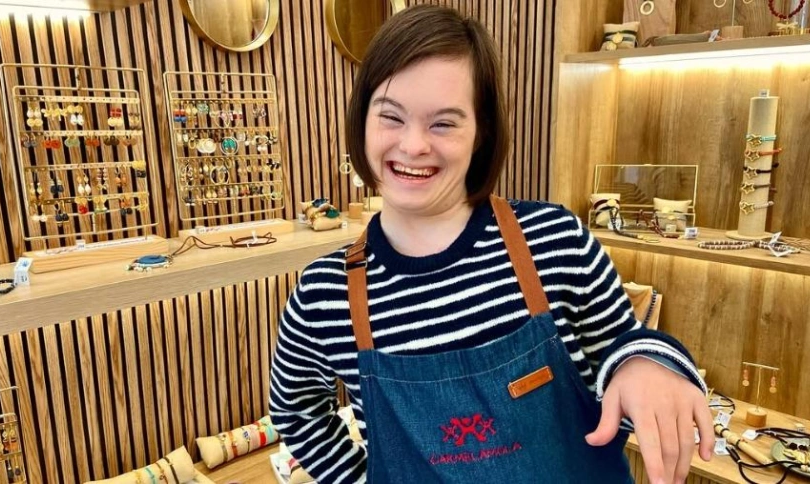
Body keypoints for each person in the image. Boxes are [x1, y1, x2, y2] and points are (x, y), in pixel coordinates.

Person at [270, 5, 714, 483]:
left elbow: (624, 350)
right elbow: (296, 415)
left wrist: (648, 364)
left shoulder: (553, 240)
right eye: (391, 117)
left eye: (444, 123)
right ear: (362, 121)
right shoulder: (324, 294)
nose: (414, 145)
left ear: (481, 133)